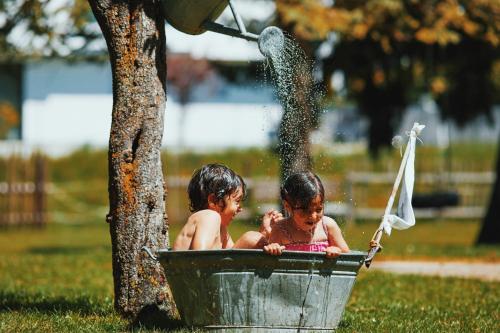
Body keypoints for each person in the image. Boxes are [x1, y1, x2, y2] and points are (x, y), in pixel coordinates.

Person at [263, 171, 350, 258]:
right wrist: (273, 249)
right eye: (305, 210)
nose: (313, 216)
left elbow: (348, 255)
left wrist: (337, 250)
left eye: (319, 209)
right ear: (287, 206)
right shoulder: (281, 230)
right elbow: (269, 263)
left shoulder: (327, 226)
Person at [172, 163, 246, 250]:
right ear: (214, 201)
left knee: (251, 238)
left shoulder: (221, 229)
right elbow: (200, 257)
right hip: (191, 263)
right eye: (236, 201)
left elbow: (236, 257)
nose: (240, 208)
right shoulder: (210, 217)